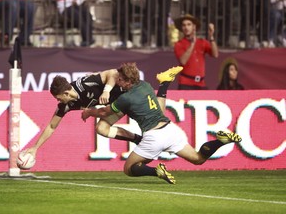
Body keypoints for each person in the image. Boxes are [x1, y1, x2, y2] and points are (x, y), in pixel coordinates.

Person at [81, 63, 242, 184]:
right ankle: (220, 141)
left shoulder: (126, 98)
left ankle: (156, 171)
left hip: (154, 137)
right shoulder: (145, 85)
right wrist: (163, 86)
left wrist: (89, 112)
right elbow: (160, 107)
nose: (118, 82)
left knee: (129, 169)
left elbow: (104, 112)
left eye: (121, 80)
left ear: (128, 81)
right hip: (171, 130)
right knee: (198, 158)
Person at [24, 69, 143, 159]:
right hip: (116, 106)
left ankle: (155, 137)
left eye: (58, 98)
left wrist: (106, 91)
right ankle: (138, 140)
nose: (58, 101)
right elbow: (51, 126)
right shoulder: (65, 106)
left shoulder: (85, 83)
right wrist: (35, 148)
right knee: (101, 129)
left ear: (66, 93)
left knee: (149, 123)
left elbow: (113, 73)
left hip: (130, 96)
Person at [173, 14, 219, 90]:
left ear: (194, 27)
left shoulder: (202, 42)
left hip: (201, 83)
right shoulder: (179, 44)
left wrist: (211, 37)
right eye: (184, 25)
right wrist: (192, 44)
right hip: (185, 84)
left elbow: (215, 54)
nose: (186, 27)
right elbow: (183, 61)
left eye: (189, 24)